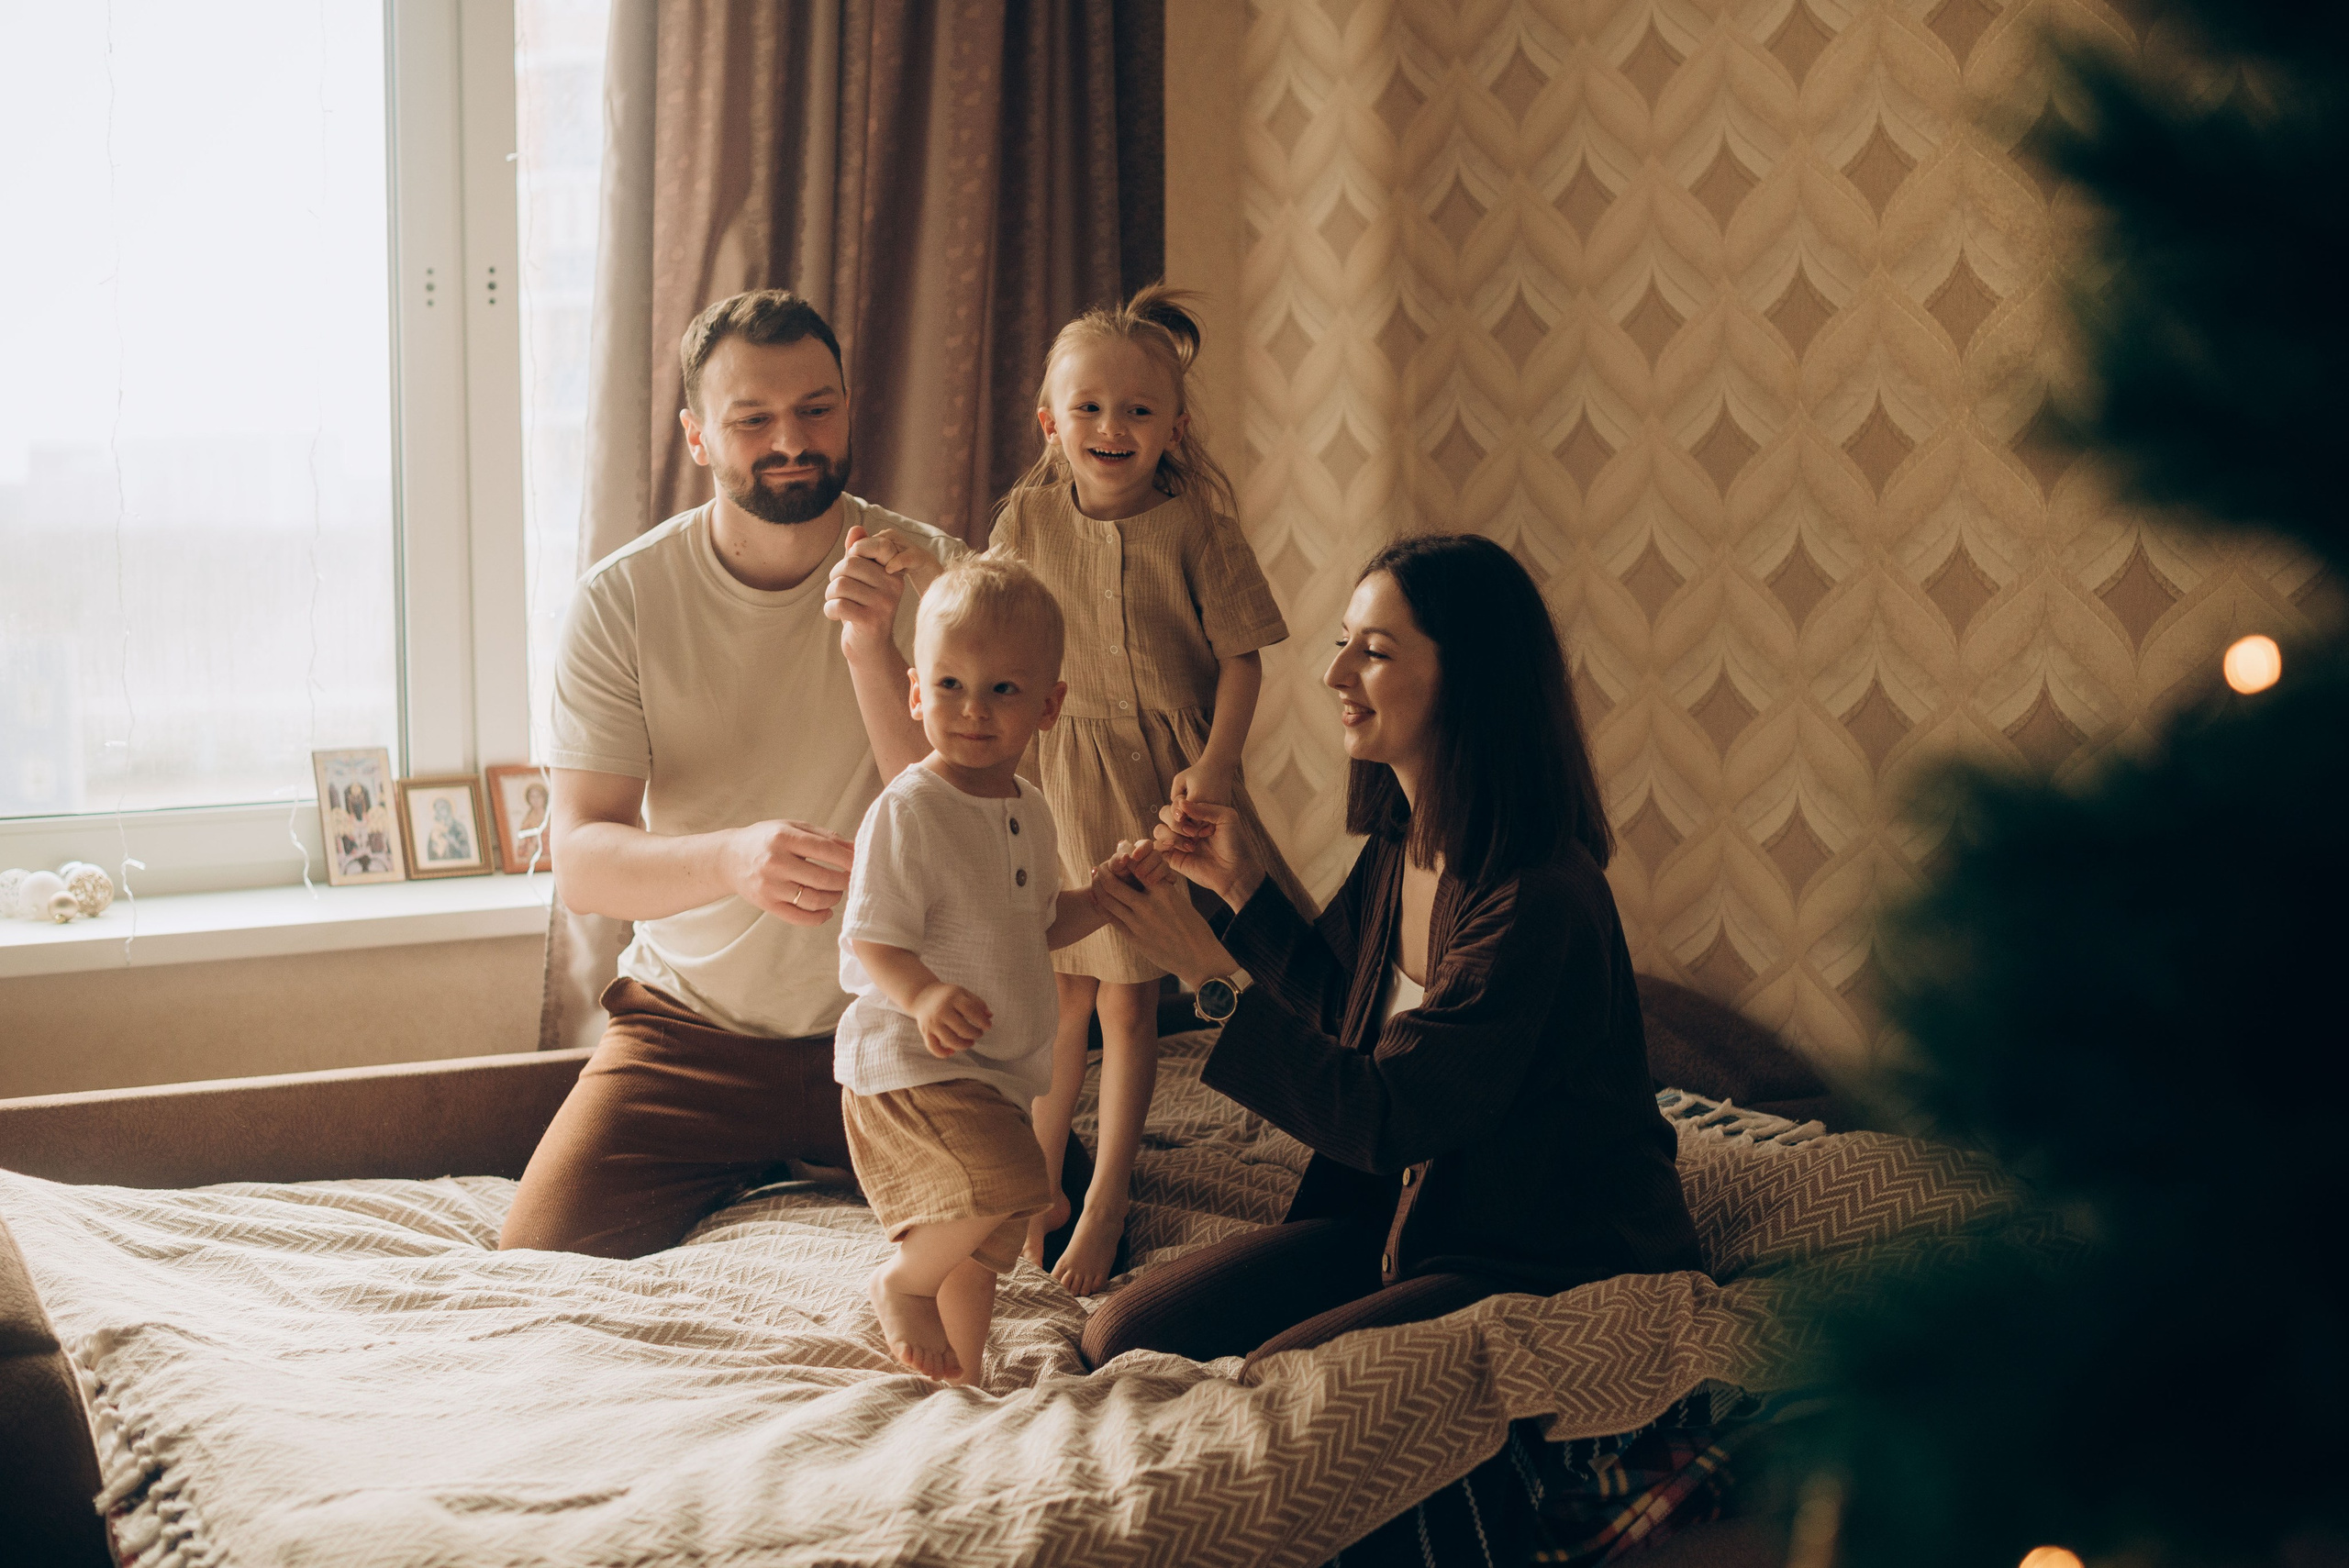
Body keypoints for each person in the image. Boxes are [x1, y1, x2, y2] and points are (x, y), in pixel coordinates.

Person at [502, 289, 1098, 1258]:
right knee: (533, 1264)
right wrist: (735, 858)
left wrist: (871, 649)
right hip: (687, 1034)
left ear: (849, 407)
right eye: (753, 420)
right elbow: (582, 860)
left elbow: (970, 815)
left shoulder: (937, 576)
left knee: (1057, 1219)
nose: (792, 439)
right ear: (698, 436)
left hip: (898, 1028)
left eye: (816, 409)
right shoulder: (621, 601)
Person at [1080, 533, 1704, 1369]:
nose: (1337, 674)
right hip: (1400, 1217)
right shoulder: (1402, 845)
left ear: (1469, 678)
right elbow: (1344, 1019)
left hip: (1534, 1253)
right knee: (1118, 1332)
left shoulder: (1537, 899)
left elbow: (1383, 1116)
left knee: (1277, 1384)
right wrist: (1241, 893)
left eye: (1372, 652)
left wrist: (1208, 975)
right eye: (1344, 643)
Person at [989, 284, 1309, 1296]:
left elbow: (1245, 660)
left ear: (1173, 426)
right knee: (1058, 998)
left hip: (1162, 783)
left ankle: (1108, 1196)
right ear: (1051, 422)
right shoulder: (1028, 520)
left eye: (1136, 409)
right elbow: (988, 615)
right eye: (1087, 408)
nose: (1111, 428)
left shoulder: (1200, 531)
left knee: (1129, 1005)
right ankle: (1037, 1186)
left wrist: (1214, 766)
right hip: (1062, 779)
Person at [836, 556, 1112, 1382]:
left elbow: (1038, 924)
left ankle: (959, 1371)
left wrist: (1102, 897)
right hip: (912, 1063)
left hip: (994, 1071)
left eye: (1002, 690)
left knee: (987, 1243)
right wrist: (922, 993)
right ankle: (900, 1282)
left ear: (1048, 704)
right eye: (950, 685)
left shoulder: (1030, 809)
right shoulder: (910, 810)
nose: (973, 710)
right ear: (915, 693)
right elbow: (870, 937)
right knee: (1012, 1178)